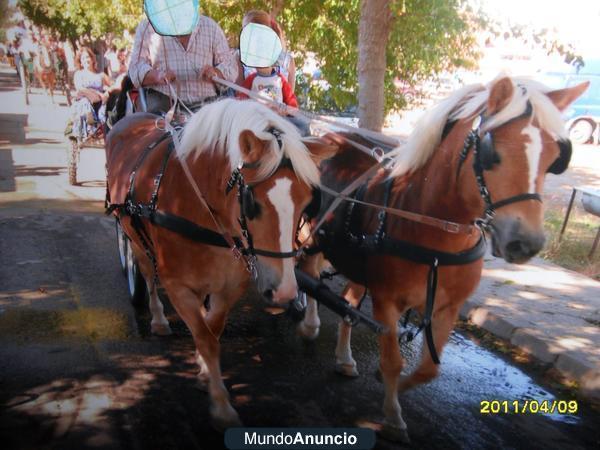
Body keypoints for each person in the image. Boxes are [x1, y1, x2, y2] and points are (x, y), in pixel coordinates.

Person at [128, 14, 238, 114]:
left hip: (207, 105)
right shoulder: (148, 27)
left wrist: (216, 73)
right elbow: (135, 69)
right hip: (162, 102)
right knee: (152, 130)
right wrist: (157, 76)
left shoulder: (211, 27)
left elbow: (231, 68)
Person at [235, 10, 296, 92]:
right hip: (250, 104)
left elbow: (290, 99)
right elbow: (240, 93)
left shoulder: (287, 60)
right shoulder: (239, 57)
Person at [70, 46, 113, 139]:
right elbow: (80, 88)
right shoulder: (79, 74)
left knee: (110, 107)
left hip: (100, 102)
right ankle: (89, 129)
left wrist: (107, 93)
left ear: (93, 59)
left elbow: (113, 86)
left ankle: (103, 128)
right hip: (84, 102)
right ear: (81, 62)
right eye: (83, 58)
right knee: (85, 102)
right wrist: (97, 94)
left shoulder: (101, 75)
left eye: (87, 57)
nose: (86, 60)